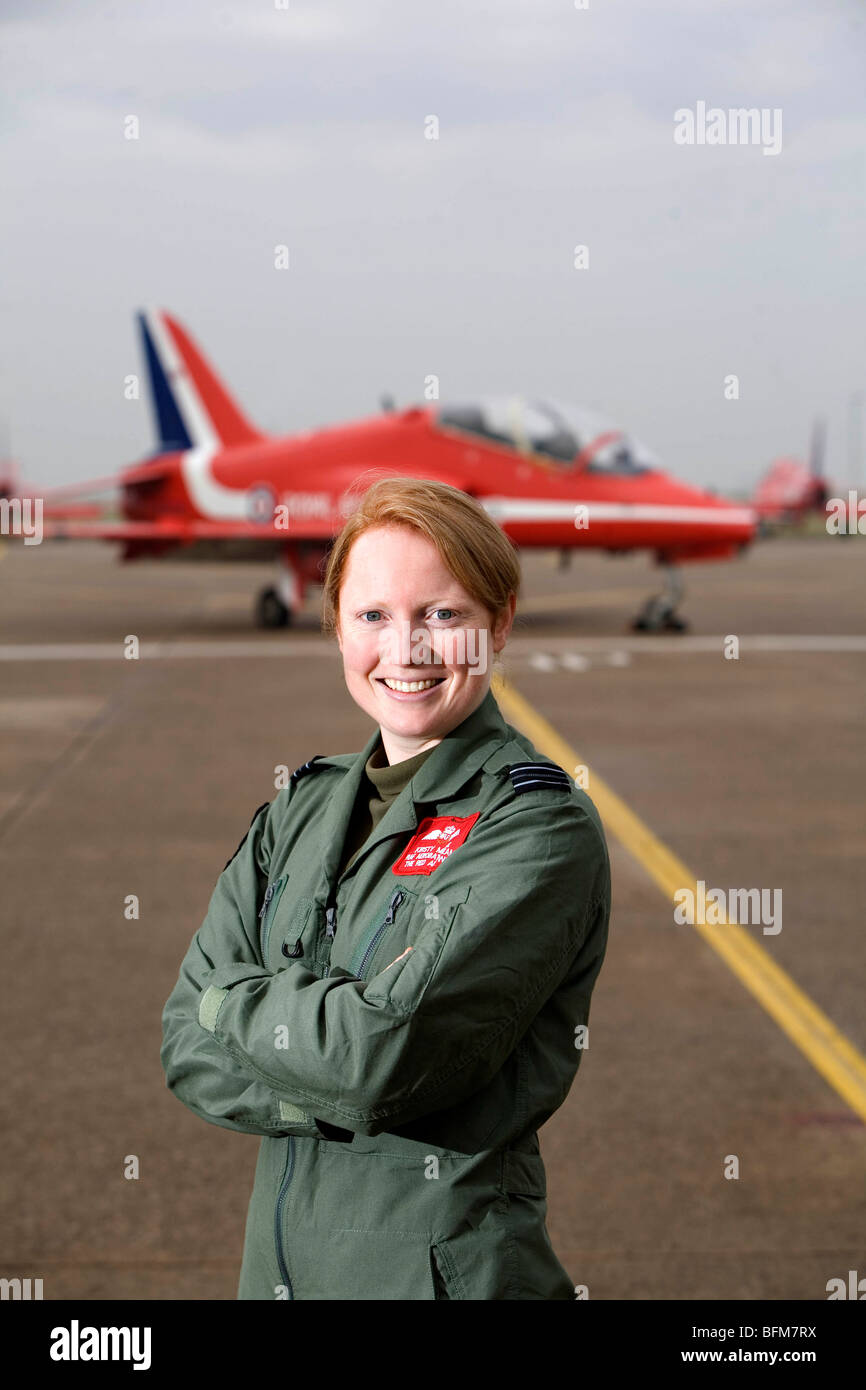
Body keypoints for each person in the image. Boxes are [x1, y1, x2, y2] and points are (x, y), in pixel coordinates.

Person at [160, 475, 611, 1300]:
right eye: (372, 616)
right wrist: (325, 1067)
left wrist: (235, 1007)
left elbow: (380, 1059)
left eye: (444, 614)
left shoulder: (536, 828)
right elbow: (183, 1045)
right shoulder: (298, 810)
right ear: (336, 626)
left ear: (499, 623)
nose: (406, 650)